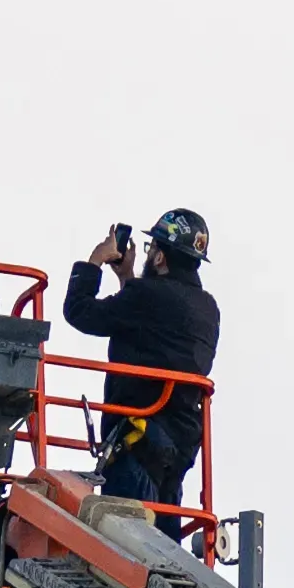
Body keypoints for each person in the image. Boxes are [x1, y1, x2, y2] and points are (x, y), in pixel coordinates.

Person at [61, 206, 219, 509]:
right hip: (177, 452)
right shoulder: (208, 310)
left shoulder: (145, 297)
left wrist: (95, 260)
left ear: (160, 256)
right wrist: (127, 279)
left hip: (136, 445)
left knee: (123, 544)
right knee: (163, 550)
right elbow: (152, 334)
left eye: (152, 249)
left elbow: (79, 311)